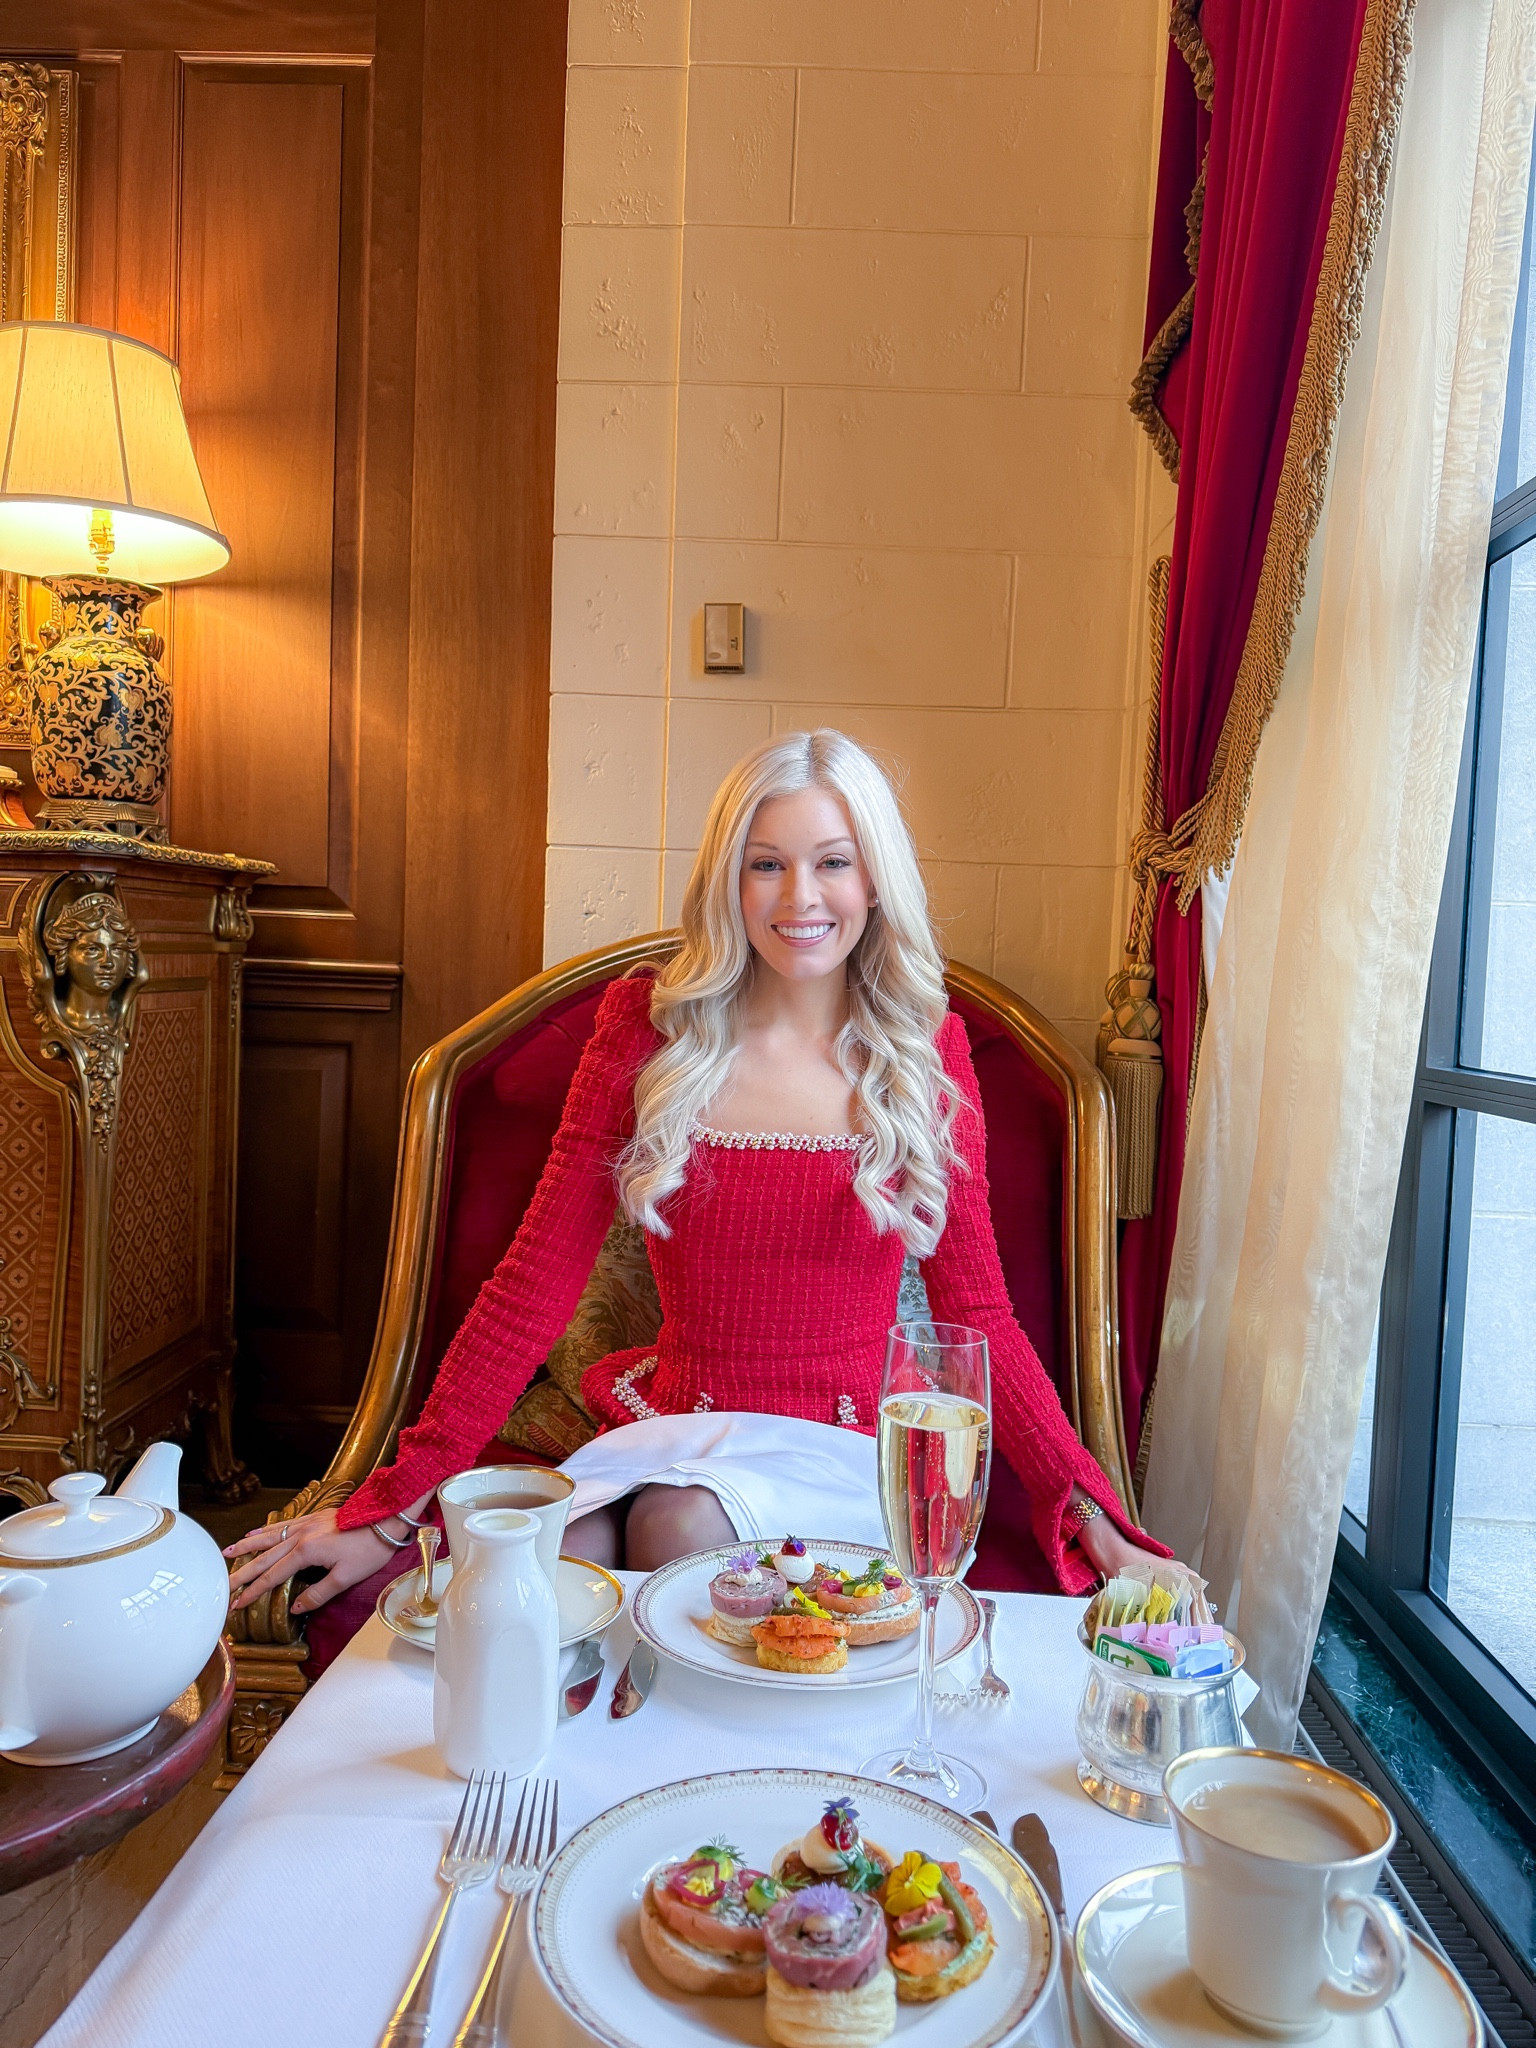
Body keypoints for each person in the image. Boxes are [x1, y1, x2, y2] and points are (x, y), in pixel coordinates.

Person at [228, 730, 1171, 1619]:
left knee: (672, 1525)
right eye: (768, 863)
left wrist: (1094, 1516)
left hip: (842, 1451)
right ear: (731, 878)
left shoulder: (925, 1053)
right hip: (670, 1427)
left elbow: (986, 1318)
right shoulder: (645, 1032)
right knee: (559, 1552)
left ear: (876, 878)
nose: (801, 896)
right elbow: (532, 1286)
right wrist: (389, 1506)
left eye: (833, 861)